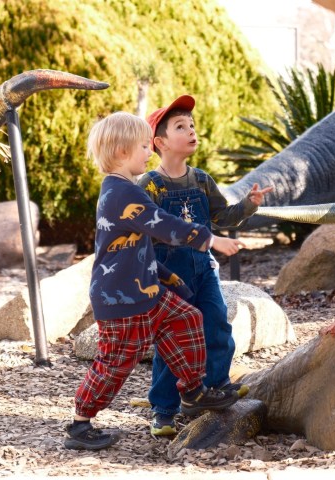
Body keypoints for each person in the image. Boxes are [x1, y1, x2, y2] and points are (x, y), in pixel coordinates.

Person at [65, 111, 244, 451]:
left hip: (147, 291)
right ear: (121, 152)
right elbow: (164, 225)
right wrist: (211, 240)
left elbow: (138, 245)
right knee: (116, 362)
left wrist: (169, 277)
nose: (149, 153)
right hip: (122, 301)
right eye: (144, 147)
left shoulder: (125, 189)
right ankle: (80, 423)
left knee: (188, 318)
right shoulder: (121, 193)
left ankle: (193, 391)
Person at [138, 95, 273, 436]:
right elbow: (143, 232)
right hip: (170, 276)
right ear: (160, 142)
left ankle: (215, 387)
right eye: (181, 127)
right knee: (172, 341)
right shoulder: (150, 185)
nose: (191, 131)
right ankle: (164, 410)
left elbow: (222, 217)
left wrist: (249, 205)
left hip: (204, 271)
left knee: (216, 324)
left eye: (192, 125)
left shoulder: (201, 180)